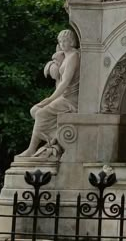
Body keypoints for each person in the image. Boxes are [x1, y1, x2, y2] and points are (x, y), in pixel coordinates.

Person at [17, 29, 80, 158]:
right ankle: (56, 136)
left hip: (71, 99)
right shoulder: (65, 55)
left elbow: (65, 82)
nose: (63, 43)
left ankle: (31, 149)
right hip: (64, 97)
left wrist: (50, 99)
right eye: (61, 41)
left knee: (40, 113)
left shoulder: (74, 56)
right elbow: (57, 73)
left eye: (66, 40)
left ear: (72, 41)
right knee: (34, 110)